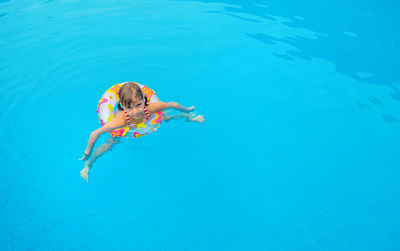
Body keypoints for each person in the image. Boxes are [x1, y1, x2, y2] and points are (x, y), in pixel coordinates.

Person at [79, 82, 204, 182]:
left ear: (144, 101)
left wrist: (188, 110)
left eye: (138, 105)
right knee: (110, 143)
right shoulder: (121, 121)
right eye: (129, 107)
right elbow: (94, 133)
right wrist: (87, 153)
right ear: (122, 106)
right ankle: (87, 165)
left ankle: (190, 117)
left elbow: (172, 104)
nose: (135, 111)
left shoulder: (150, 108)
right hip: (125, 128)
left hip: (147, 119)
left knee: (165, 116)